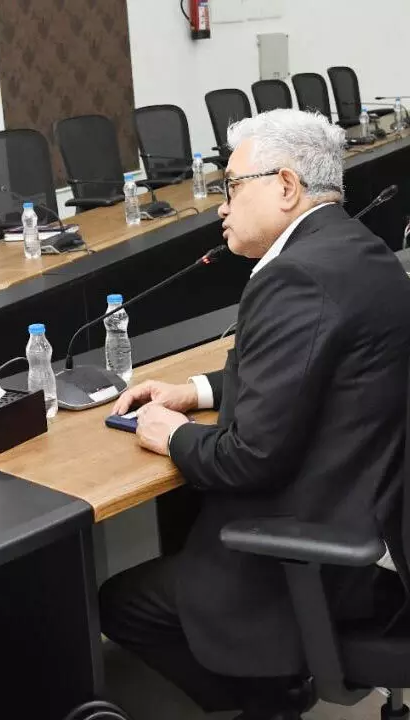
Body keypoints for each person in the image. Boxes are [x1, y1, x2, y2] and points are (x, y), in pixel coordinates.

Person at [100, 110, 410, 720]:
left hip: (303, 551)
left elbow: (250, 458)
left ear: (286, 186)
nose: (221, 205)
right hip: (362, 518)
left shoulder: (295, 276)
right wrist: (197, 392)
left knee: (120, 602)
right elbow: (311, 367)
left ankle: (266, 699)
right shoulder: (359, 250)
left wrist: (176, 436)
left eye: (232, 186)